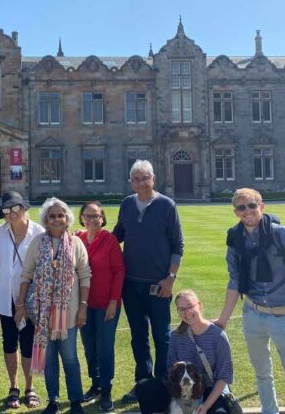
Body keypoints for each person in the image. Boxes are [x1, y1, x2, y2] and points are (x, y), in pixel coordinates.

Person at [215, 188, 285, 414]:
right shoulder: (235, 239)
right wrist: (222, 320)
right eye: (242, 208)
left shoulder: (283, 234)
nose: (248, 211)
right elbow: (234, 281)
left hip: (283, 316)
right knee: (262, 375)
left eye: (252, 205)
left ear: (261, 205)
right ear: (236, 212)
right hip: (252, 313)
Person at [113, 159, 184, 403]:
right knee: (138, 336)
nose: (141, 182)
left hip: (159, 284)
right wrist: (86, 241)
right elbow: (116, 237)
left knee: (162, 336)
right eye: (136, 179)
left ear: (153, 179)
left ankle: (164, 383)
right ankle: (143, 383)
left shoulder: (167, 205)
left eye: (145, 178)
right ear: (131, 182)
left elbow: (178, 245)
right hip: (131, 284)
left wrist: (170, 278)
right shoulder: (127, 204)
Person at [14, 197, 91, 414]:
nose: (57, 219)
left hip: (69, 314)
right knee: (49, 361)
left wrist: (83, 306)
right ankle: (53, 400)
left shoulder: (76, 244)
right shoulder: (38, 243)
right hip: (43, 314)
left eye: (60, 215)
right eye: (52, 216)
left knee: (70, 359)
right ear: (46, 220)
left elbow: (85, 275)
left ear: (67, 219)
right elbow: (26, 274)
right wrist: (20, 304)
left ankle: (75, 400)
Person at [136, 290, 234, 414]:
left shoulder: (218, 336)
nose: (187, 312)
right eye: (181, 309)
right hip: (182, 387)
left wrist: (206, 406)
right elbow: (171, 370)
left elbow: (223, 377)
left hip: (210, 388)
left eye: (190, 307)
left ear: (199, 305)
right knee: (144, 387)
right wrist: (178, 393)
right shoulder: (175, 336)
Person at [0, 191, 44, 409]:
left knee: (29, 343)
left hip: (31, 298)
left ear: (24, 208)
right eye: (7, 210)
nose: (12, 213)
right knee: (9, 341)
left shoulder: (39, 232)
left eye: (15, 208)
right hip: (5, 296)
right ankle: (13, 387)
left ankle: (29, 388)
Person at [75, 200, 124, 412]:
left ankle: (106, 389)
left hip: (106, 304)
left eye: (96, 216)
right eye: (88, 215)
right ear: (82, 218)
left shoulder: (109, 240)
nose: (92, 219)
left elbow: (119, 271)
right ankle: (95, 384)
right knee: (89, 347)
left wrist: (114, 301)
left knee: (105, 348)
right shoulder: (77, 239)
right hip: (84, 305)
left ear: (102, 218)